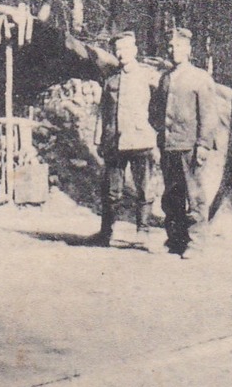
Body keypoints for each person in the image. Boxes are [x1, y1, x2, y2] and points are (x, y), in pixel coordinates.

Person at [153, 27, 217, 258]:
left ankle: (196, 242)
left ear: (188, 50)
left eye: (178, 46)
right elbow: (156, 111)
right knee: (172, 196)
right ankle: (175, 240)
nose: (173, 51)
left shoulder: (200, 78)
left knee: (195, 195)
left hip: (190, 146)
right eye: (170, 46)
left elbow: (209, 116)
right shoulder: (165, 78)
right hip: (169, 145)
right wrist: (159, 137)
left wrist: (203, 144)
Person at [93, 31, 160, 249]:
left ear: (135, 51)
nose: (121, 54)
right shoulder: (111, 79)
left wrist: (154, 132)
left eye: (126, 49)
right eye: (118, 50)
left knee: (144, 188)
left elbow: (159, 108)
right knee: (112, 191)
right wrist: (99, 139)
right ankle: (106, 233)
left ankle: (143, 232)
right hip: (114, 141)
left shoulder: (146, 76)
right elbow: (102, 111)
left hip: (140, 139)